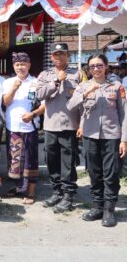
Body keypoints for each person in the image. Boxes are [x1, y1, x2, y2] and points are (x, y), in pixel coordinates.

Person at [67, 54, 127, 227]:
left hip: (112, 136)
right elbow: (71, 106)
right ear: (89, 68)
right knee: (94, 172)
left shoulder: (116, 86)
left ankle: (109, 210)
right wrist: (87, 92)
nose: (96, 69)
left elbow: (124, 114)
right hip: (90, 135)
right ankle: (97, 207)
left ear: (106, 66)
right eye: (92, 66)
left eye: (99, 65)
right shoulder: (83, 86)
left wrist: (124, 140)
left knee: (111, 173)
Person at [36, 42, 81, 213]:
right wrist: (56, 81)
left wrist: (82, 125)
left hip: (70, 125)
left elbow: (83, 99)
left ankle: (68, 196)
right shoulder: (44, 75)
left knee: (68, 162)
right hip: (50, 125)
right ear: (51, 57)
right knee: (52, 160)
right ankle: (57, 191)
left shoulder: (77, 74)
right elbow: (38, 95)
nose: (59, 57)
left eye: (62, 54)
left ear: (68, 55)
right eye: (56, 54)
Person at [2, 52, 45, 204]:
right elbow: (5, 102)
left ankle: (31, 192)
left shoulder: (36, 82)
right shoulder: (8, 82)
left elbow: (43, 105)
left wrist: (32, 114)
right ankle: (19, 188)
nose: (20, 67)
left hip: (30, 126)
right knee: (15, 159)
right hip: (12, 125)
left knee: (30, 159)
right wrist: (14, 88)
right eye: (17, 64)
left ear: (29, 65)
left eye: (23, 64)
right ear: (14, 66)